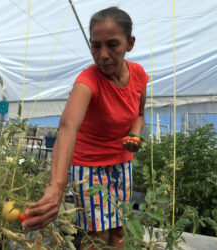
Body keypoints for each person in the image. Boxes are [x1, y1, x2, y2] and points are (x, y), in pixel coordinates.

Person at [22, 6, 148, 249]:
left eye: (113, 45)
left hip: (122, 163)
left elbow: (140, 114)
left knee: (120, 229)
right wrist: (56, 187)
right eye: (95, 46)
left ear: (130, 43)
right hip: (89, 166)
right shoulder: (87, 80)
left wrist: (134, 134)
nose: (102, 55)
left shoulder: (139, 74)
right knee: (96, 237)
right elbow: (67, 127)